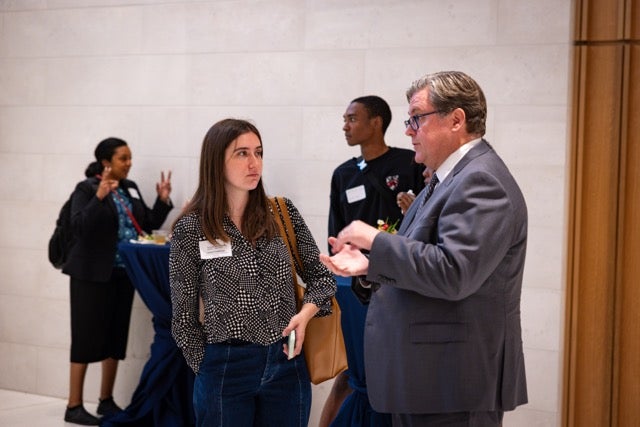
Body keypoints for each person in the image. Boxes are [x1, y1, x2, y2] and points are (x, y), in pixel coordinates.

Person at [320, 71, 528, 427]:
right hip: (427, 378)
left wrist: (375, 241)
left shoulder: (481, 180)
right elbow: (423, 259)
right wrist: (369, 265)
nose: (408, 130)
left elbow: (453, 272)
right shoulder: (445, 179)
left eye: (417, 117)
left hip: (452, 382)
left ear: (456, 120)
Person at [169, 118, 336, 427]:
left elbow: (322, 278)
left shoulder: (281, 213)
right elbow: (183, 318)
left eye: (258, 152)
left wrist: (306, 314)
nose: (254, 163)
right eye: (241, 153)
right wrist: (207, 366)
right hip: (225, 366)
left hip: (286, 360)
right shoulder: (192, 228)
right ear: (216, 162)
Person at [320, 96, 425, 427]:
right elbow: (334, 232)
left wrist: (414, 209)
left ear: (376, 122)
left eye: (353, 118)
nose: (345, 125)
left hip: (397, 285)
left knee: (389, 369)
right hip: (354, 289)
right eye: (345, 118)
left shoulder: (410, 164)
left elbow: (429, 227)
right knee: (354, 371)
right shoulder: (344, 174)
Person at [62, 137, 173, 425]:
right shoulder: (86, 189)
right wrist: (99, 196)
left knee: (114, 336)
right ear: (106, 163)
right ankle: (73, 405)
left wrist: (162, 201)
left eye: (130, 157)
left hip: (123, 274)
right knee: (85, 337)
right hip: (90, 275)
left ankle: (106, 401)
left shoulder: (129, 188)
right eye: (124, 158)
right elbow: (78, 226)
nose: (129, 163)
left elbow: (145, 224)